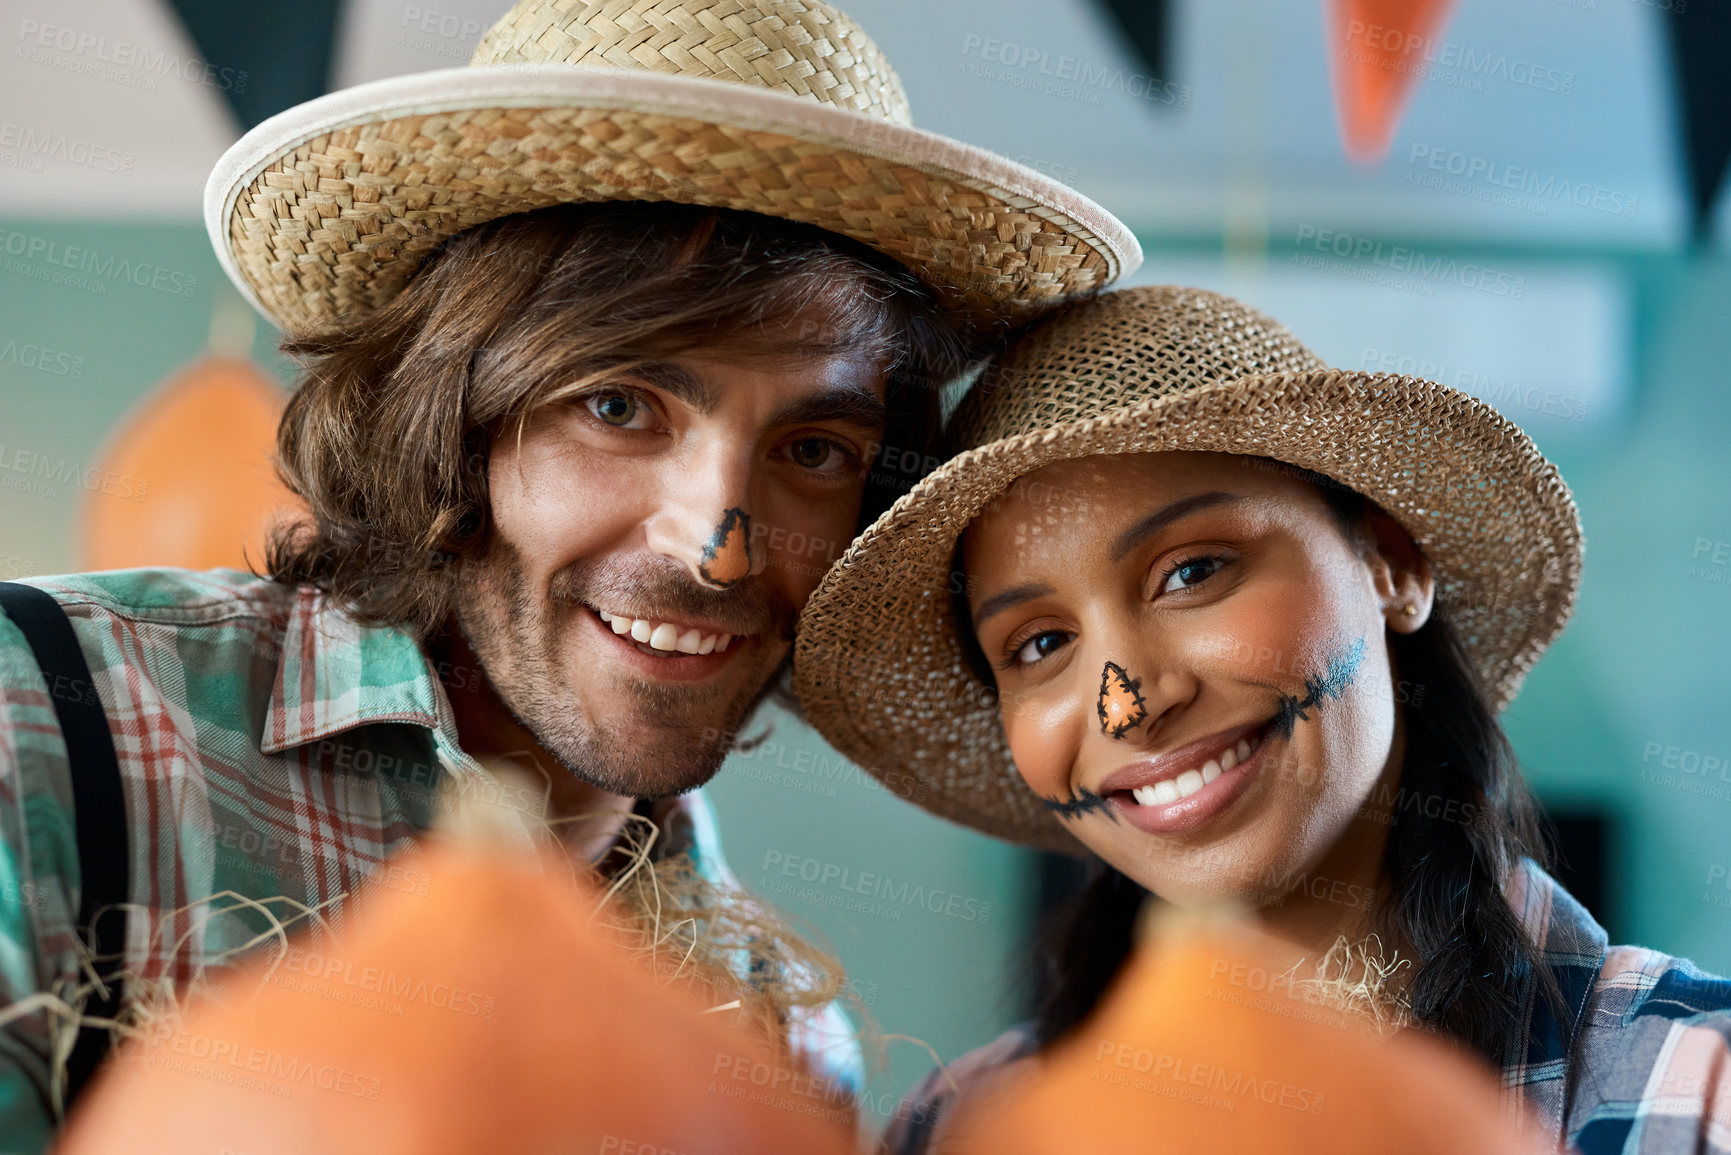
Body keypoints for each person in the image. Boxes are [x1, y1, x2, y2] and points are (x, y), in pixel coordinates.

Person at [0, 0, 1141, 1147]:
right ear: (449, 425)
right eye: (619, 408)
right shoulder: (38, 726)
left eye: (811, 451)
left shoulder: (783, 1048)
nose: (720, 546)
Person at [793, 286, 1731, 1154]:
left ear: (1391, 563)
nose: (1130, 700)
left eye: (1193, 571)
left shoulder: (1697, 1087)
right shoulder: (962, 1128)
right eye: (1038, 644)